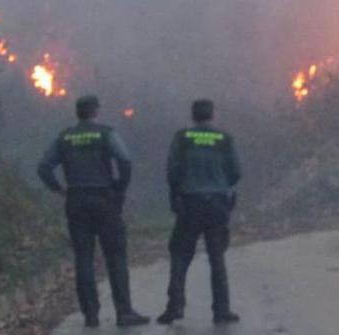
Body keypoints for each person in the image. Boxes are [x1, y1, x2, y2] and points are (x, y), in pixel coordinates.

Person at [37, 95, 150, 328]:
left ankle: (91, 315)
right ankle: (124, 312)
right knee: (116, 256)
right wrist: (120, 189)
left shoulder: (65, 137)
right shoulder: (105, 133)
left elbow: (44, 166)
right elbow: (124, 160)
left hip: (76, 201)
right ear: (95, 111)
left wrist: (59, 189)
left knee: (84, 258)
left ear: (78, 113)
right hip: (104, 199)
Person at [157, 99, 241, 325]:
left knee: (180, 255)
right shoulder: (224, 138)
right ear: (213, 114)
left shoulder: (182, 138)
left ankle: (174, 307)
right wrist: (220, 183)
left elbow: (172, 171)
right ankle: (221, 310)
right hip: (217, 204)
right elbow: (236, 172)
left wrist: (177, 193)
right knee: (217, 258)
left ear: (193, 116)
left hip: (190, 204)